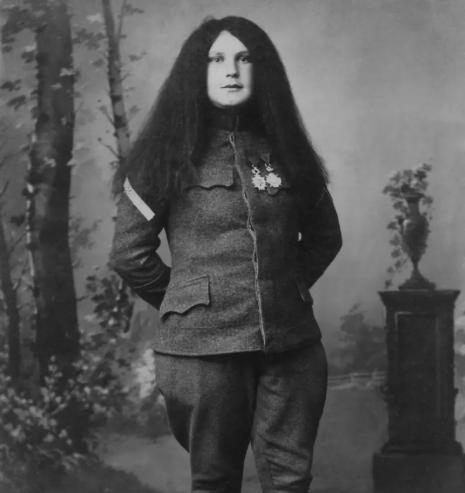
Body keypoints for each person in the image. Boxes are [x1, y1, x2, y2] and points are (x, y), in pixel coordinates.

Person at [110, 15, 342, 493]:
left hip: (292, 346)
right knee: (215, 481)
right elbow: (129, 253)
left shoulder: (286, 150)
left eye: (243, 58)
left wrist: (283, 289)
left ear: (262, 69)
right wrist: (188, 302)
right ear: (197, 71)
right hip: (202, 354)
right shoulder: (164, 155)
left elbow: (325, 236)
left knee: (291, 481)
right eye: (216, 59)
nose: (231, 70)